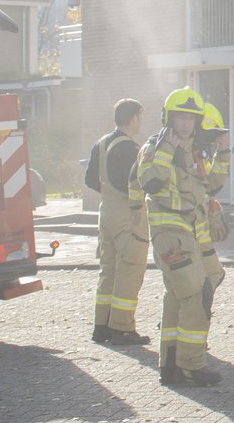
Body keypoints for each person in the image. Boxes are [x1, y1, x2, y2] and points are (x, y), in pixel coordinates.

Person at [138, 87, 222, 387]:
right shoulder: (155, 145)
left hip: (190, 233)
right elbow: (150, 182)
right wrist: (165, 151)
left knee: (181, 296)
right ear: (168, 117)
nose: (186, 123)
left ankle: (171, 364)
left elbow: (211, 183)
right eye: (180, 117)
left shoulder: (194, 149)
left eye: (191, 118)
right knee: (195, 295)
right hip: (170, 234)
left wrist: (221, 151)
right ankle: (191, 366)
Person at [87, 98, 149, 345]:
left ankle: (101, 326)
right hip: (127, 215)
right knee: (130, 269)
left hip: (106, 214)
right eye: (140, 117)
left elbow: (91, 179)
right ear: (134, 118)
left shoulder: (101, 144)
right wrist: (135, 204)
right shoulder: (130, 149)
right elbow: (135, 182)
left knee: (108, 269)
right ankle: (122, 328)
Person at [193, 102, 232, 306]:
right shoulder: (182, 153)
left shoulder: (201, 154)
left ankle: (182, 324)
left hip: (199, 232)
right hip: (183, 234)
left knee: (213, 275)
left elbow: (211, 185)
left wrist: (223, 152)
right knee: (190, 287)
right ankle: (185, 325)